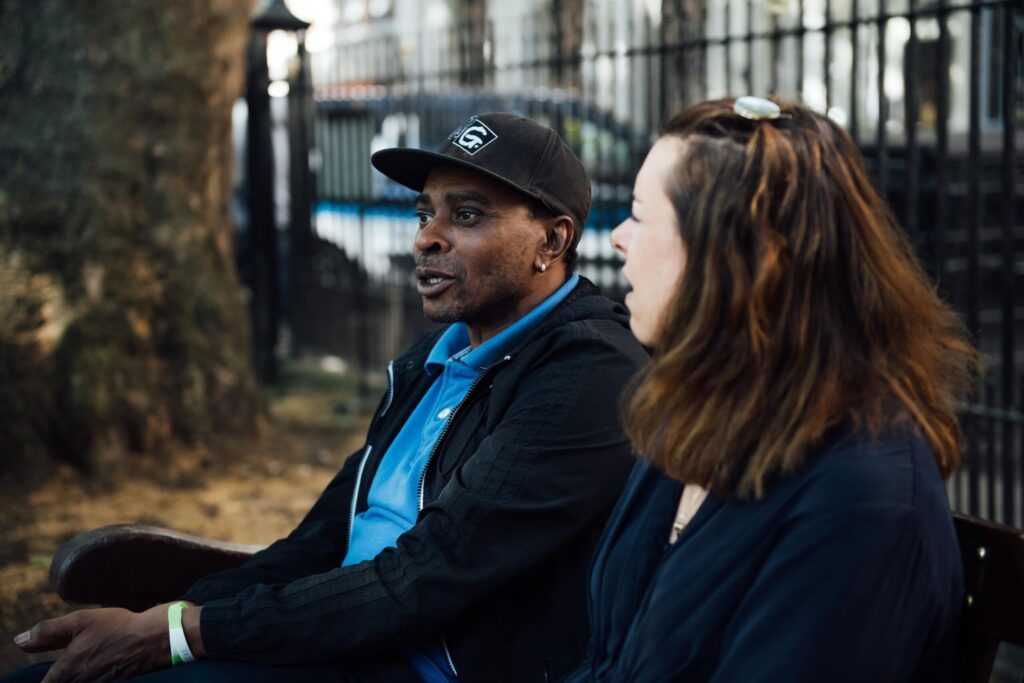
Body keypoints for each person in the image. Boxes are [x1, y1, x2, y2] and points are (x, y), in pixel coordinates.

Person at [6, 113, 647, 683]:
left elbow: (425, 577)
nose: (427, 237)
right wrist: (172, 615)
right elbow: (320, 540)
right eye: (424, 214)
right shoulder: (434, 359)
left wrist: (180, 634)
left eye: (467, 215)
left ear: (552, 241)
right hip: (336, 638)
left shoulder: (586, 372)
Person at [564, 97, 978, 682]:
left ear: (727, 255)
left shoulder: (860, 494)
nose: (618, 238)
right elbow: (609, 657)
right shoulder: (698, 412)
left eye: (639, 213)